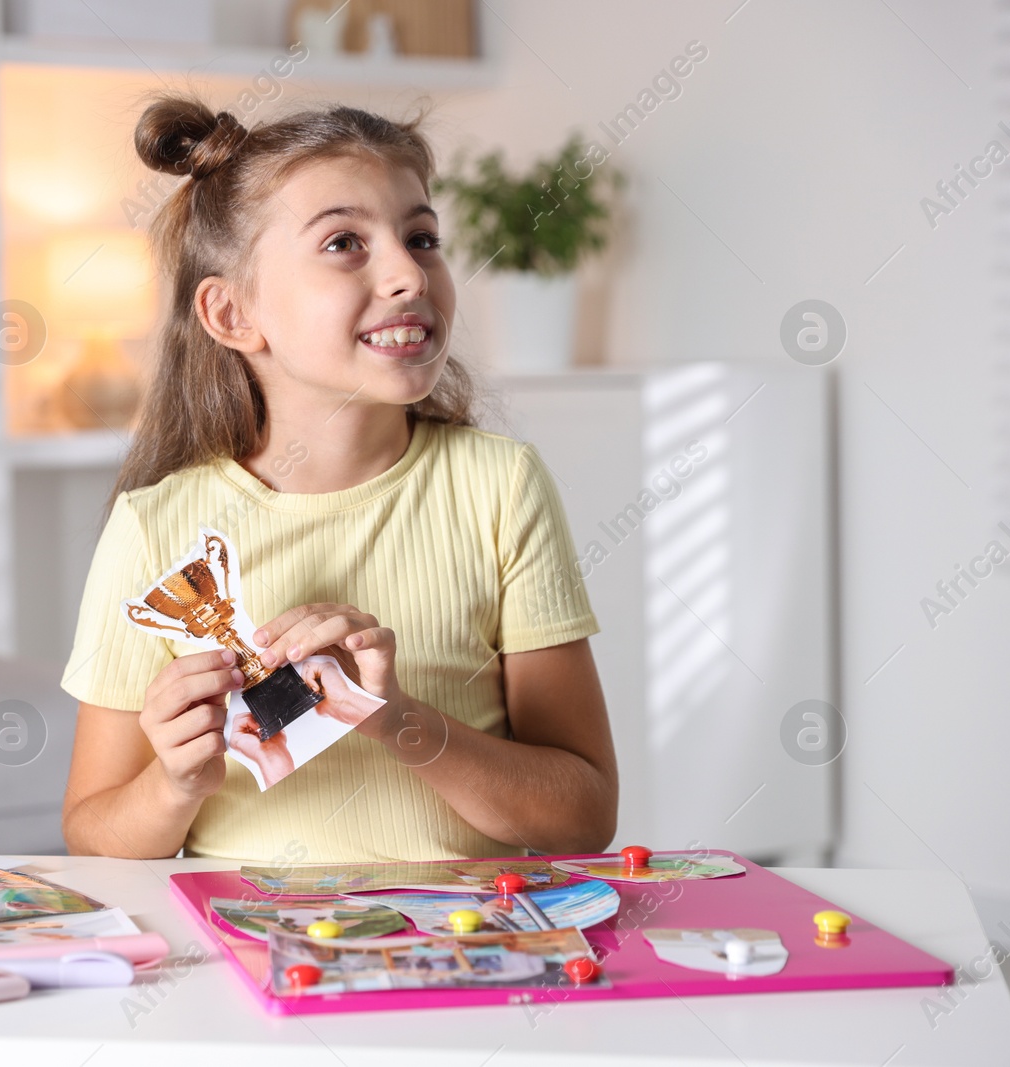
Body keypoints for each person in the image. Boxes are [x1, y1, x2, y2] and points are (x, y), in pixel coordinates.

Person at [60, 93, 617, 864]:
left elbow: (584, 814)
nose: (406, 273)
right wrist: (174, 784)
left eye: (422, 237)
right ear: (231, 314)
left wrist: (394, 718)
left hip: (468, 946)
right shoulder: (154, 526)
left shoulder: (500, 486)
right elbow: (93, 830)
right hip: (249, 954)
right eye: (345, 242)